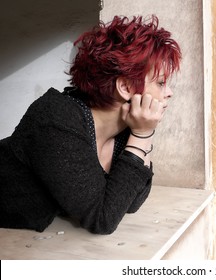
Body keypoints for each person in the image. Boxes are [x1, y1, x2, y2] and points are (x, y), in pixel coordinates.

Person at [0, 15, 181, 234]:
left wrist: (143, 133)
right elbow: (101, 220)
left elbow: (132, 202)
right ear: (124, 87)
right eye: (161, 83)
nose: (169, 92)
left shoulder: (123, 130)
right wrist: (143, 134)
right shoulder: (56, 119)